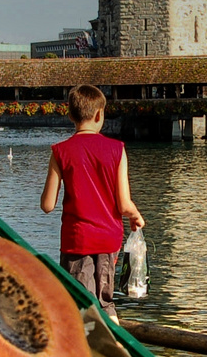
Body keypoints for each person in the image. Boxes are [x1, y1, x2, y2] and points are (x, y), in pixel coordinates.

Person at [40, 85, 144, 320]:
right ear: (99, 115)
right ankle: (115, 348)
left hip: (76, 240)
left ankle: (85, 352)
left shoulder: (60, 151)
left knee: (78, 303)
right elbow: (124, 204)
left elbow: (47, 205)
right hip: (108, 240)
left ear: (70, 116)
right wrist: (135, 216)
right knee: (105, 301)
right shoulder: (117, 149)